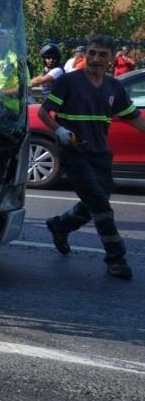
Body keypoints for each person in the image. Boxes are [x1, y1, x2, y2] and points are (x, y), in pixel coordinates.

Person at [40, 34, 145, 279]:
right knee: (101, 207)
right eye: (92, 53)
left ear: (111, 59)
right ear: (84, 55)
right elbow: (45, 113)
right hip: (75, 153)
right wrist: (60, 131)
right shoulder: (69, 81)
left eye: (102, 55)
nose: (95, 58)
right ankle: (116, 258)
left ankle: (60, 225)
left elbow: (133, 117)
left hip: (100, 154)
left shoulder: (114, 87)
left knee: (95, 201)